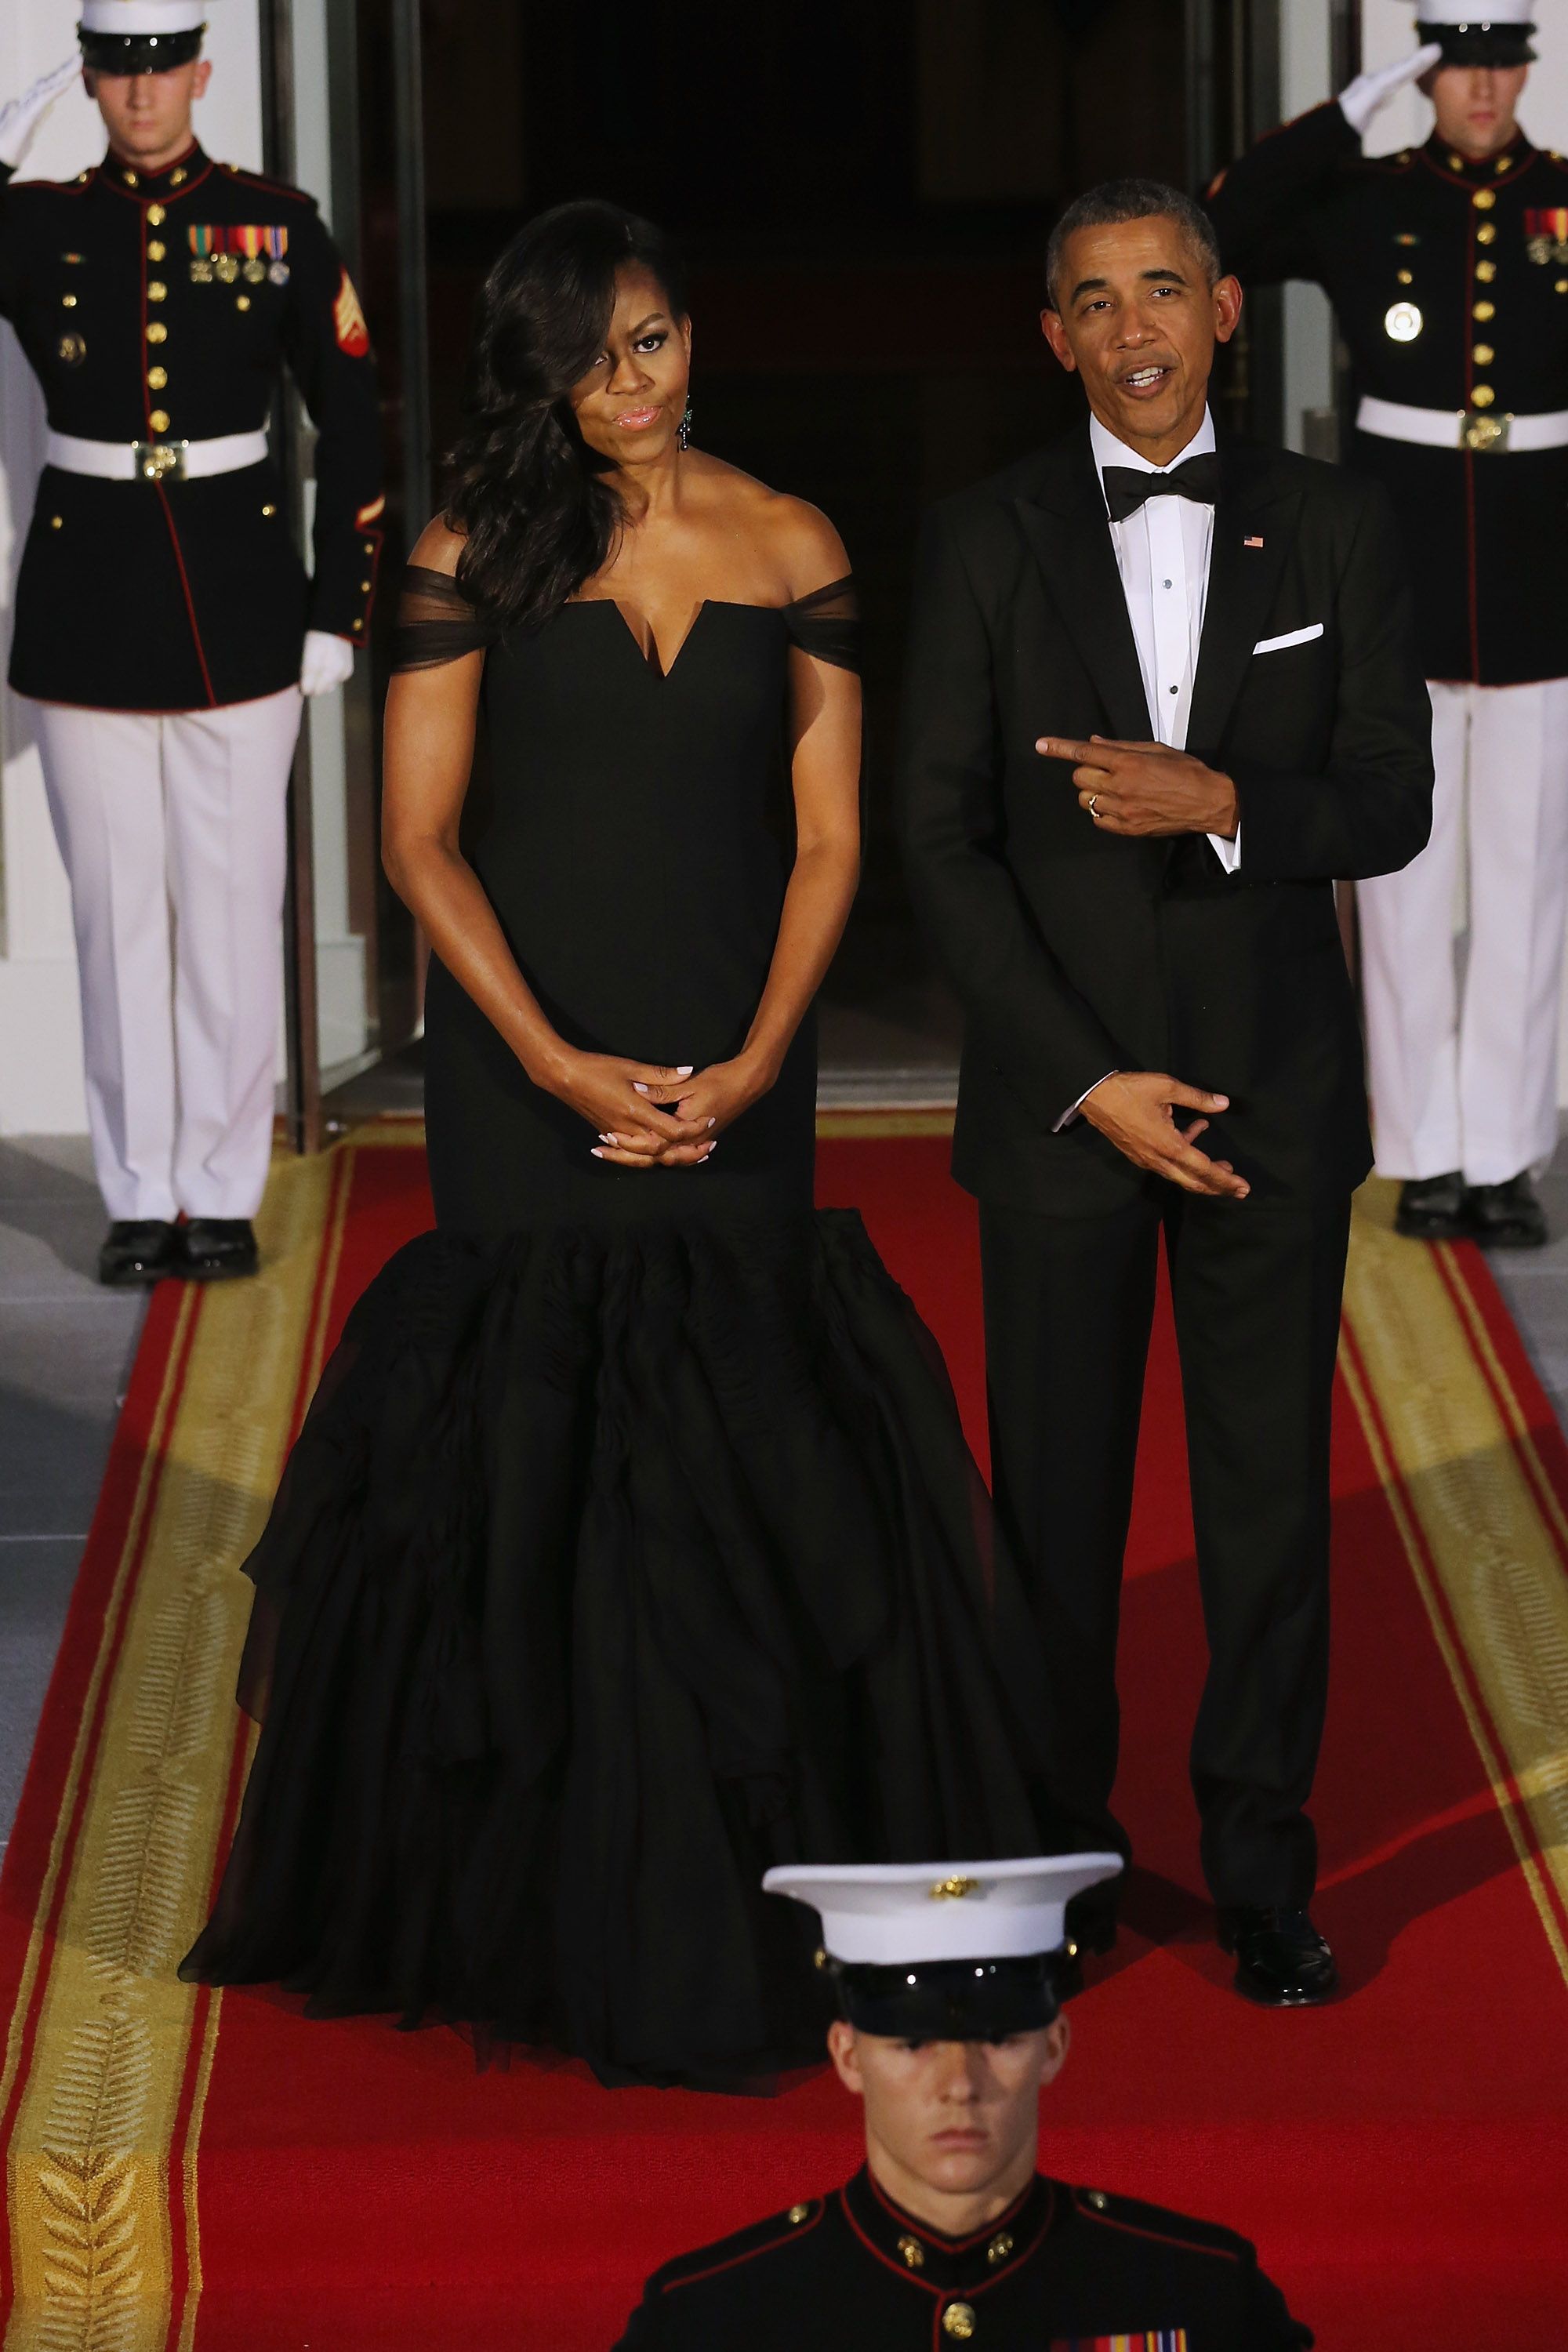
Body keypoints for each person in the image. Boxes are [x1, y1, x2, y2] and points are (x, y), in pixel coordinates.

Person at [180, 199, 1063, 2090]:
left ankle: (762, 1882)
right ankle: (547, 1893)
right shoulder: (463, 553)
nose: (635, 383)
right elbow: (421, 846)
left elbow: (826, 835)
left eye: (654, 338)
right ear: (538, 372)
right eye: (593, 355)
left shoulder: (794, 539)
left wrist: (752, 1060)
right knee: (548, 1445)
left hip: (736, 1058)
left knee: (741, 1436)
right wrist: (562, 1066)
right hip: (529, 1063)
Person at [898, 180, 1434, 2007]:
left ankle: (1262, 1871)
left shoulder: (1337, 524)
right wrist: (1084, 1079)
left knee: (1266, 1506)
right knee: (1048, 1518)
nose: (1127, 326)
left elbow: (1387, 798)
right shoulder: (978, 539)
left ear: (1221, 311)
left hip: (1268, 1100)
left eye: (1158, 289)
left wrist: (1221, 807)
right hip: (1064, 1109)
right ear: (1049, 336)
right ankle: (1055, 1871)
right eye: (1088, 299)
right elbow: (935, 843)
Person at [0, 1, 383, 1287]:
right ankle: (139, 1192)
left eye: (162, 69)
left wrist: (339, 607)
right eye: (115, 71)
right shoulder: (38, 221)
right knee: (118, 921)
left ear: (204, 73)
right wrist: (15, 117)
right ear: (93, 82)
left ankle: (219, 1191)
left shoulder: (276, 226)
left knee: (226, 914)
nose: (142, 94)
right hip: (86, 609)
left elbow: (356, 424)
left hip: (238, 601)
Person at [1206, 2, 1566, 1250]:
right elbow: (1223, 224)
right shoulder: (1366, 197)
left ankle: (1506, 1153)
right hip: (1397, 573)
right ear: (1429, 71)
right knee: (1400, 879)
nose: (1479, 85)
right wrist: (1350, 111)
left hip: (1542, 582)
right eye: (1455, 62)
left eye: (1497, 61)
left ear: (1527, 69)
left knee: (1526, 882)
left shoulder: (1565, 200)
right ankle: (1418, 1147)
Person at [615, 1855, 1313, 2348]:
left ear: (1055, 2047)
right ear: (848, 2057)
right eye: (912, 2046)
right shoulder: (711, 2320)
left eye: (1001, 2038)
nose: (959, 2083)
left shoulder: (1199, 2295)